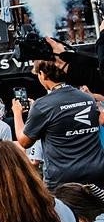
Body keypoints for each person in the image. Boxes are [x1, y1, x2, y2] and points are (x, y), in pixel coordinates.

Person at [14, 59, 104, 188]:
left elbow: (24, 141)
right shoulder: (86, 97)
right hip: (97, 173)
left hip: (63, 179)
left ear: (43, 74)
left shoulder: (42, 105)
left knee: (63, 209)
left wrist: (17, 113)